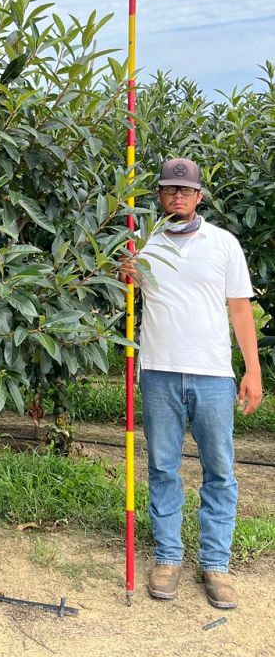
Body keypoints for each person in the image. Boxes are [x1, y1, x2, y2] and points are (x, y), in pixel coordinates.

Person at [128, 157, 262, 609]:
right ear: (160, 196)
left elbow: (240, 309)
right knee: (163, 467)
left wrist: (253, 370)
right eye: (169, 190)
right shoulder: (142, 243)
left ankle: (216, 565)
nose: (178, 196)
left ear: (199, 195)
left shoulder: (223, 243)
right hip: (159, 371)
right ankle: (167, 558)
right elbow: (122, 290)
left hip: (213, 377)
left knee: (220, 473)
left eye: (186, 190)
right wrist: (121, 271)